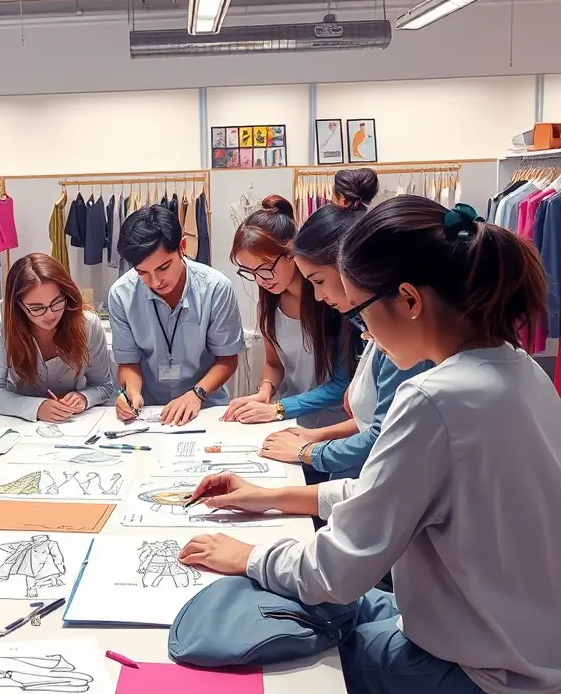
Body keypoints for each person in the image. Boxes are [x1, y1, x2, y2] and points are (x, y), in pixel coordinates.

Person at [179, 196, 561, 694]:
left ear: (409, 300)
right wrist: (269, 496)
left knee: (296, 661)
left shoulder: (434, 397)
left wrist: (248, 556)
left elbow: (335, 570)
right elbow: (392, 493)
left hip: (485, 669)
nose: (364, 332)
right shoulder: (521, 369)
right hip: (520, 637)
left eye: (361, 313)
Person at [257, 175, 429, 480]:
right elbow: (372, 420)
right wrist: (314, 438)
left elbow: (385, 435)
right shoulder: (368, 324)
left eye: (319, 281)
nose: (318, 296)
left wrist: (308, 449)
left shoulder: (399, 336)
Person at [109, 204, 244, 426]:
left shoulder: (216, 288)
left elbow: (227, 359)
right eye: (142, 273)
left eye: (163, 267)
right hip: (151, 412)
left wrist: (196, 394)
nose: (155, 282)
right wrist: (131, 392)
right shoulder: (121, 294)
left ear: (182, 247)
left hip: (206, 407)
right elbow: (128, 362)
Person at [222, 195, 348, 428]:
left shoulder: (332, 300)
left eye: (265, 269)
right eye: (250, 272)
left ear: (291, 251)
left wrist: (278, 409)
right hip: (289, 418)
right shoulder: (268, 306)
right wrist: (265, 390)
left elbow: (343, 384)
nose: (260, 280)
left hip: (337, 424)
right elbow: (274, 363)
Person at [0, 253, 114, 422]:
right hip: (19, 424)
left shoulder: (88, 322)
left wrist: (84, 398)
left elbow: (104, 386)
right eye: (37, 308)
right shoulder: (2, 317)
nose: (50, 315)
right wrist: (37, 407)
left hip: (75, 423)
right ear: (18, 306)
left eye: (57, 302)